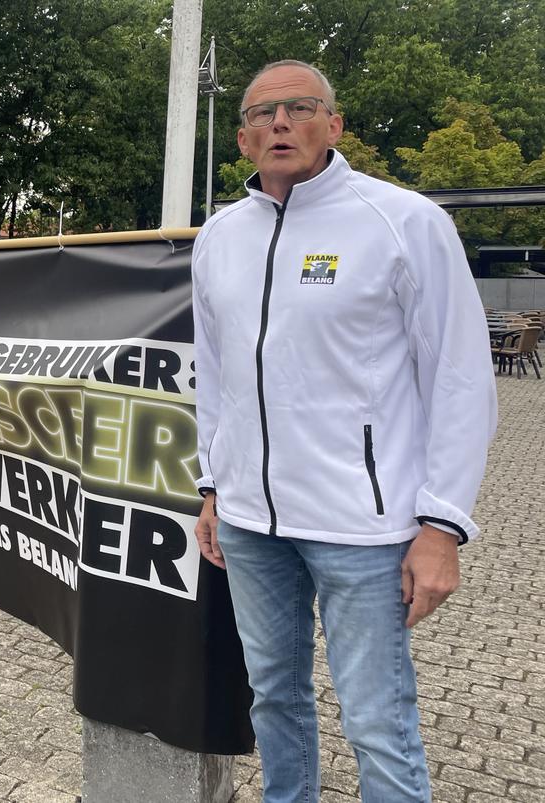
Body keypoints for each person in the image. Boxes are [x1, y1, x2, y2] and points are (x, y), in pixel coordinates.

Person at [191, 60, 496, 801]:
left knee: (377, 723)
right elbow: (215, 374)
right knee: (275, 701)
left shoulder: (405, 222)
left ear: (335, 124)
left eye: (300, 108)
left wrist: (442, 525)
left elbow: (460, 377)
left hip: (363, 529)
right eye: (264, 114)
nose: (281, 123)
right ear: (242, 139)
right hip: (252, 525)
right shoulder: (220, 236)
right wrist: (211, 486)